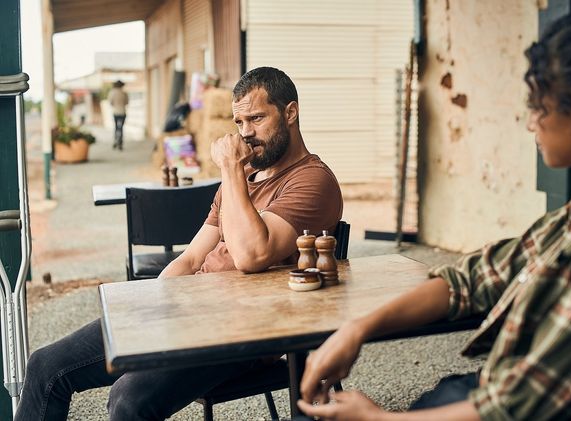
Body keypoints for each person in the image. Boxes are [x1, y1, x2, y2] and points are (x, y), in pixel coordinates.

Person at [297, 6, 571, 421]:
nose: (530, 124)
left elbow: (517, 406)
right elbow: (474, 277)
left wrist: (379, 420)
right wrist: (356, 328)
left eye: (537, 106)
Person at [15, 67, 343, 420]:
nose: (246, 134)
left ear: (290, 113)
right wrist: (152, 308)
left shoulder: (312, 181)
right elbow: (191, 259)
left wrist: (230, 170)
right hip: (193, 310)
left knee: (129, 397)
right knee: (45, 366)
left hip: (244, 330)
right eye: (239, 122)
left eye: (257, 118)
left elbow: (252, 255)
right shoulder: (243, 178)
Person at [107, 80, 129, 150]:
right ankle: (120, 142)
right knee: (121, 128)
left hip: (116, 112)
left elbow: (110, 102)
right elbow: (127, 102)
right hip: (122, 112)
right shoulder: (124, 93)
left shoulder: (112, 92)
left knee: (116, 127)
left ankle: (115, 141)